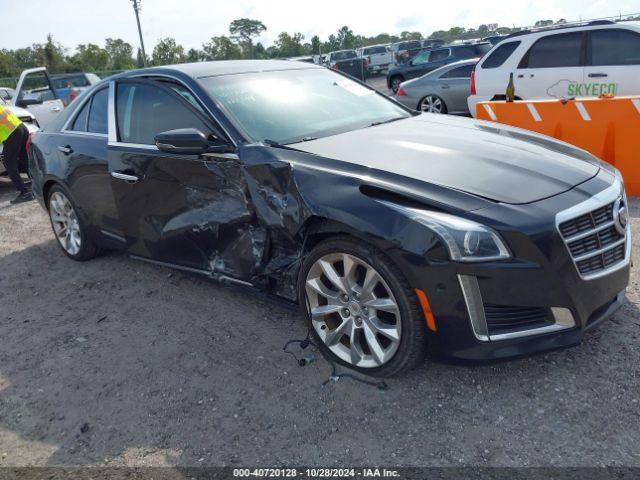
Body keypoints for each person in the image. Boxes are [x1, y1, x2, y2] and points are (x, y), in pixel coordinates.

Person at [0, 104, 33, 204]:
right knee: (24, 160)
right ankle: (37, 187)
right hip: (21, 127)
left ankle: (25, 193)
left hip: (12, 133)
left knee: (8, 162)